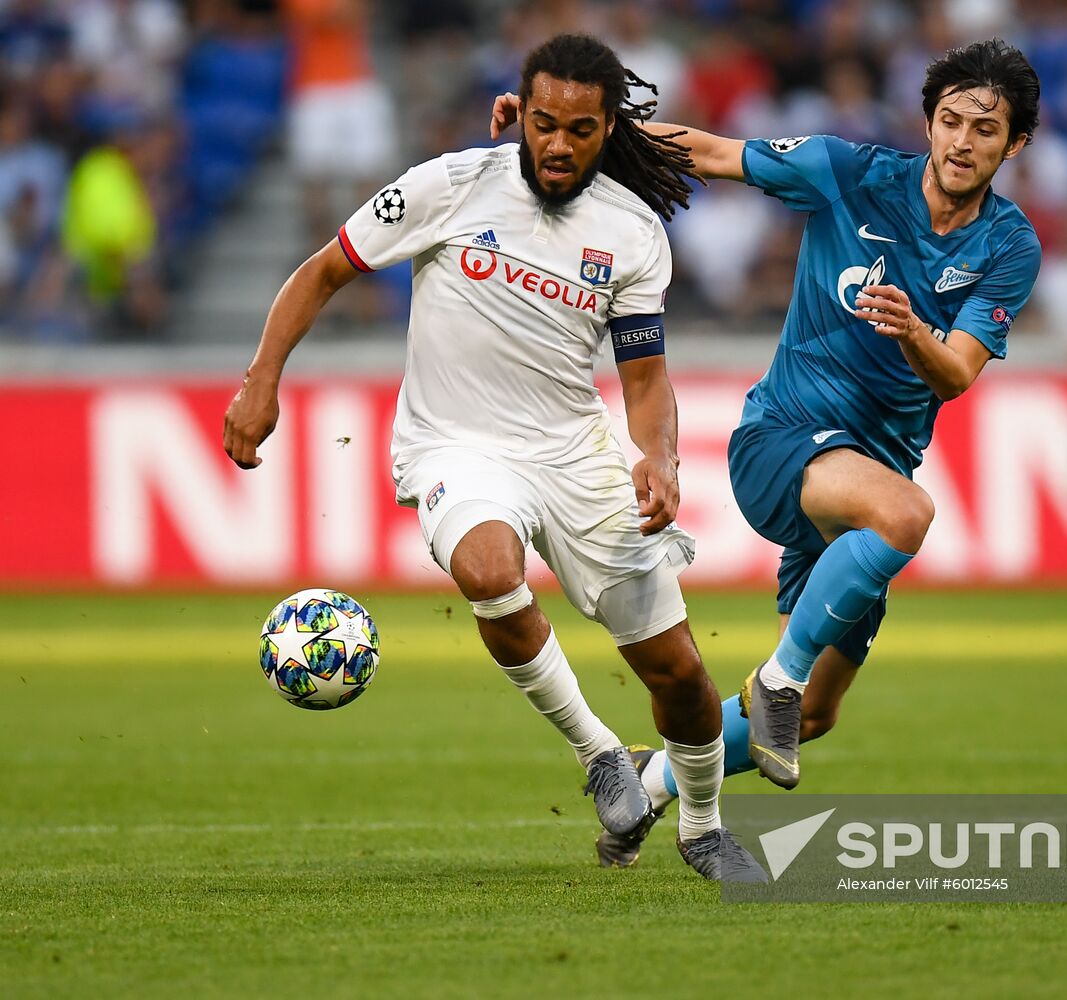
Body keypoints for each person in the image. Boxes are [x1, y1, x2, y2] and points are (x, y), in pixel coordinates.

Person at [225, 34, 765, 882]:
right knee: (487, 569)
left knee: (680, 674)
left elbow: (645, 377)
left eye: (579, 130)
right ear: (518, 112)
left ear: (606, 128)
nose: (557, 144)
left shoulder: (629, 232)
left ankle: (700, 825)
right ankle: (599, 755)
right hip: (456, 442)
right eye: (543, 123)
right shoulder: (449, 184)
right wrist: (261, 383)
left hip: (572, 451)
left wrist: (658, 457)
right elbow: (324, 270)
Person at [494, 37, 1044, 867]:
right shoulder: (847, 172)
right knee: (906, 515)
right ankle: (775, 678)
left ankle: (648, 789)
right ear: (926, 121)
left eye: (985, 130)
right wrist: (583, 135)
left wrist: (911, 331)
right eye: (950, 120)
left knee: (816, 716)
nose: (963, 142)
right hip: (781, 439)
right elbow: (712, 152)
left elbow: (959, 372)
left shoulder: (1008, 245)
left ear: (1015, 146)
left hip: (859, 483)